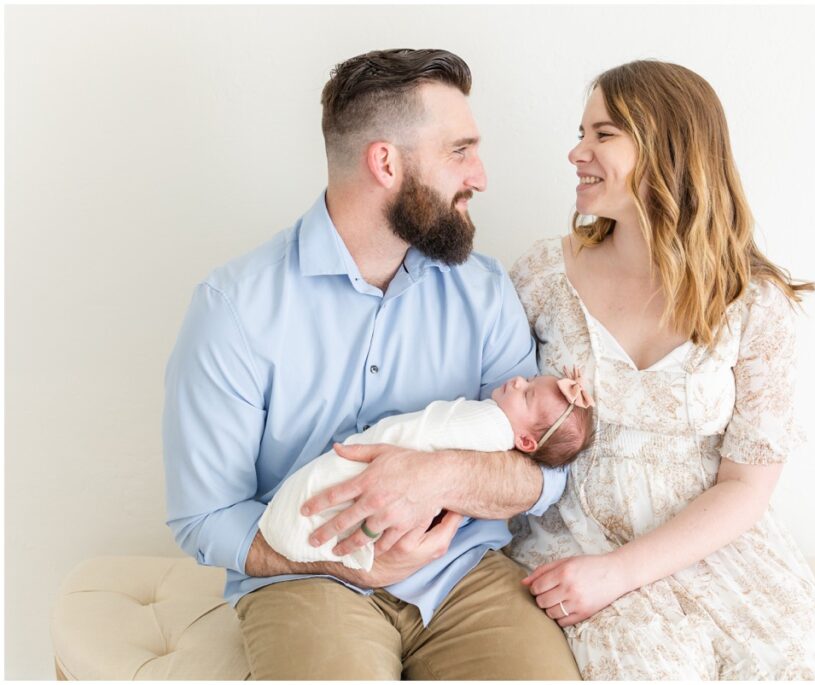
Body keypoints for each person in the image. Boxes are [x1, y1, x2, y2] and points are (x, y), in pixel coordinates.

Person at [162, 49, 581, 680]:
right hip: (306, 583)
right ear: (385, 162)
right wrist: (342, 563)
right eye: (459, 151)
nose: (481, 175)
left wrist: (433, 478)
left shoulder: (484, 288)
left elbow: (538, 475)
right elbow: (205, 519)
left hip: (464, 576)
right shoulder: (234, 311)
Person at [506, 60, 815, 680]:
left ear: (668, 147)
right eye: (582, 133)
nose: (577, 152)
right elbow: (494, 409)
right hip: (578, 539)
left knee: (802, 666)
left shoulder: (754, 303)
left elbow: (747, 485)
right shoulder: (545, 275)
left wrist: (624, 570)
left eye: (603, 135)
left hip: (713, 545)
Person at [260, 368, 594, 569]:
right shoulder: (493, 421)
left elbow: (546, 483)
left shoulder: (491, 426)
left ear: (525, 442)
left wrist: (435, 475)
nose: (519, 380)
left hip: (459, 567)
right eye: (529, 380)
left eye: (527, 394)